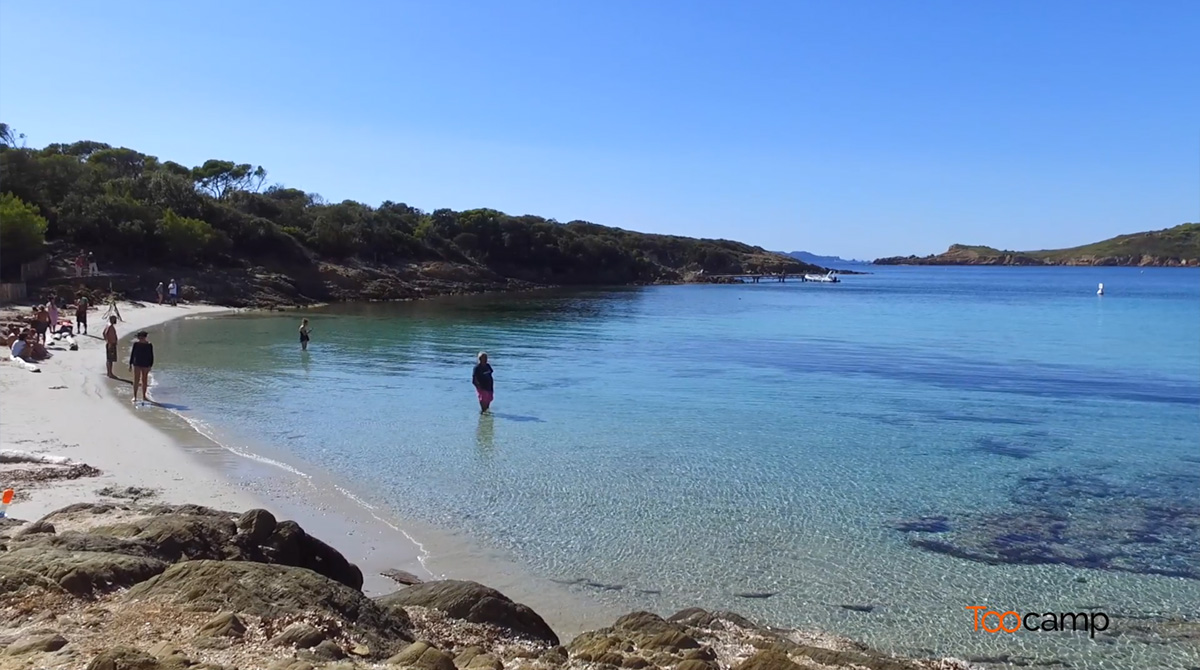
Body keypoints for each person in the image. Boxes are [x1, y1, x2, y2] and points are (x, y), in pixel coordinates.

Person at [129, 330, 154, 403]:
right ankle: (135, 396)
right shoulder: (136, 344)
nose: (140, 339)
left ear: (145, 337)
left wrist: (150, 365)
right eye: (139, 337)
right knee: (136, 379)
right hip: (137, 363)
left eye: (142, 337)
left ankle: (144, 396)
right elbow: (132, 354)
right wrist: (130, 364)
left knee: (144, 380)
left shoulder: (149, 345)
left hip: (146, 364)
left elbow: (151, 356)